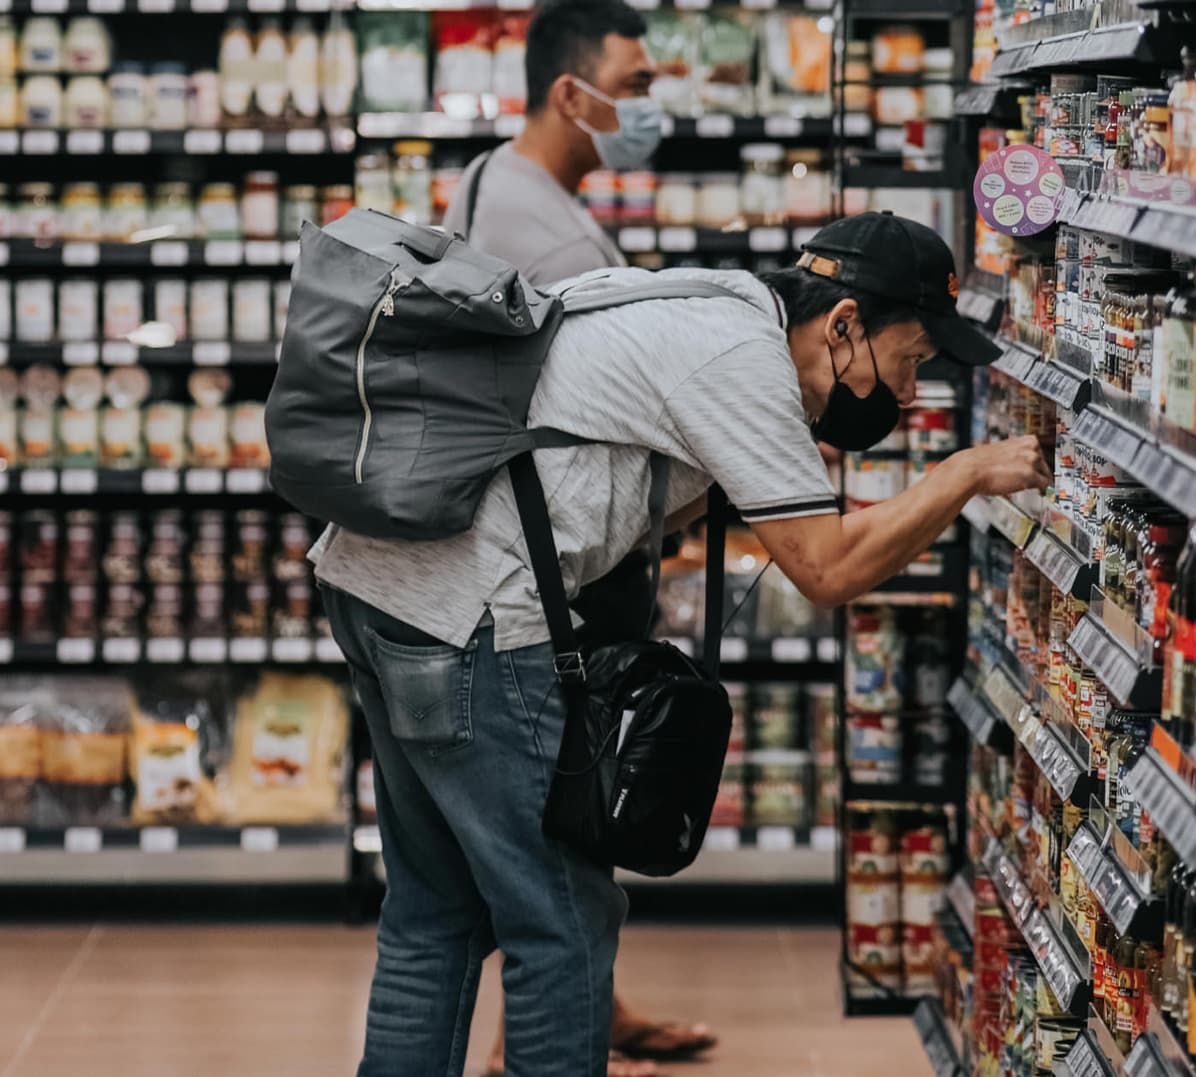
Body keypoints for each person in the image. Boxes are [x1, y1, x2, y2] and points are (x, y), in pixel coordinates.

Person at [315, 211, 1050, 1077]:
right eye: (912, 359)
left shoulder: (706, 301)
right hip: (471, 615)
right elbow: (828, 568)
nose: (912, 392)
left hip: (375, 585)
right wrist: (962, 473)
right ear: (845, 323)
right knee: (561, 925)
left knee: (434, 913)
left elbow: (605, 463)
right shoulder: (740, 358)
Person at [438, 2, 713, 1071]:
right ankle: (554, 1029)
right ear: (571, 93)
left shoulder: (497, 180)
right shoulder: (546, 230)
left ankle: (595, 1002)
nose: (649, 109)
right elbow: (610, 407)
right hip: (554, 571)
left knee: (552, 824)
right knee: (569, 812)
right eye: (636, 86)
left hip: (520, 553)